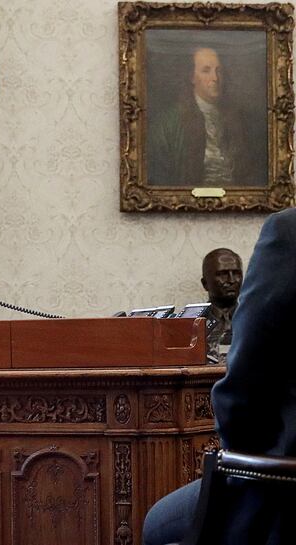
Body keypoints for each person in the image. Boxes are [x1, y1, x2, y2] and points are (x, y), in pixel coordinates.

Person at [143, 208, 296, 545]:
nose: (229, 280)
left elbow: (242, 392)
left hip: (281, 484)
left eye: (234, 273)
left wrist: (240, 463)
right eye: (221, 275)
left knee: (155, 523)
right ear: (205, 283)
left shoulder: (289, 232)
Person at [147, 46, 262, 187]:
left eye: (218, 71)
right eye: (206, 71)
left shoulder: (240, 118)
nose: (215, 78)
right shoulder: (168, 123)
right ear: (192, 77)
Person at [201, 248, 242, 360]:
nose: (232, 280)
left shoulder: (256, 321)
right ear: (205, 283)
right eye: (223, 274)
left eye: (237, 273)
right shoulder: (192, 324)